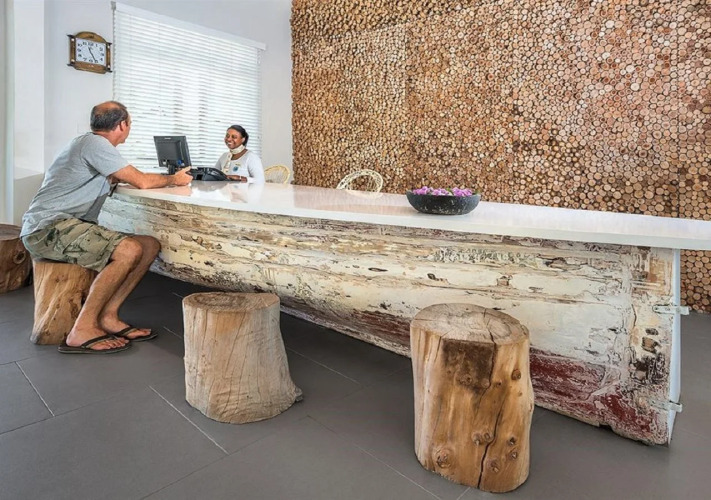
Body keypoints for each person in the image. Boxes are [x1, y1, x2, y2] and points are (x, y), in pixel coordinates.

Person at [20, 101, 193, 354]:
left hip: (64, 226)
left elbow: (119, 177)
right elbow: (142, 181)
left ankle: (108, 316)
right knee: (129, 250)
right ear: (122, 125)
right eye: (129, 123)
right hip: (47, 228)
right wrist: (174, 179)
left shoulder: (88, 145)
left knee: (148, 245)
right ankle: (82, 329)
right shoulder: (95, 144)